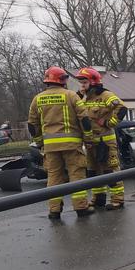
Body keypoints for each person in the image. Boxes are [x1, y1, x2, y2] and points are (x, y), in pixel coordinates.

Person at [27, 66, 95, 219]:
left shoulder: (37, 99)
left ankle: (54, 210)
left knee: (54, 178)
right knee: (76, 176)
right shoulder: (71, 96)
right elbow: (84, 120)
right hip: (72, 145)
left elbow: (32, 124)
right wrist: (89, 139)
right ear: (62, 80)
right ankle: (81, 208)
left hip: (50, 147)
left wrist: (39, 142)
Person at [75, 67, 128, 210]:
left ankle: (117, 200)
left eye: (84, 82)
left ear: (92, 82)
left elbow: (122, 109)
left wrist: (108, 123)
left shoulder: (106, 95)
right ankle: (98, 199)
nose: (82, 85)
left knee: (110, 171)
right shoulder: (83, 98)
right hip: (90, 143)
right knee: (93, 172)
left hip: (105, 142)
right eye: (80, 82)